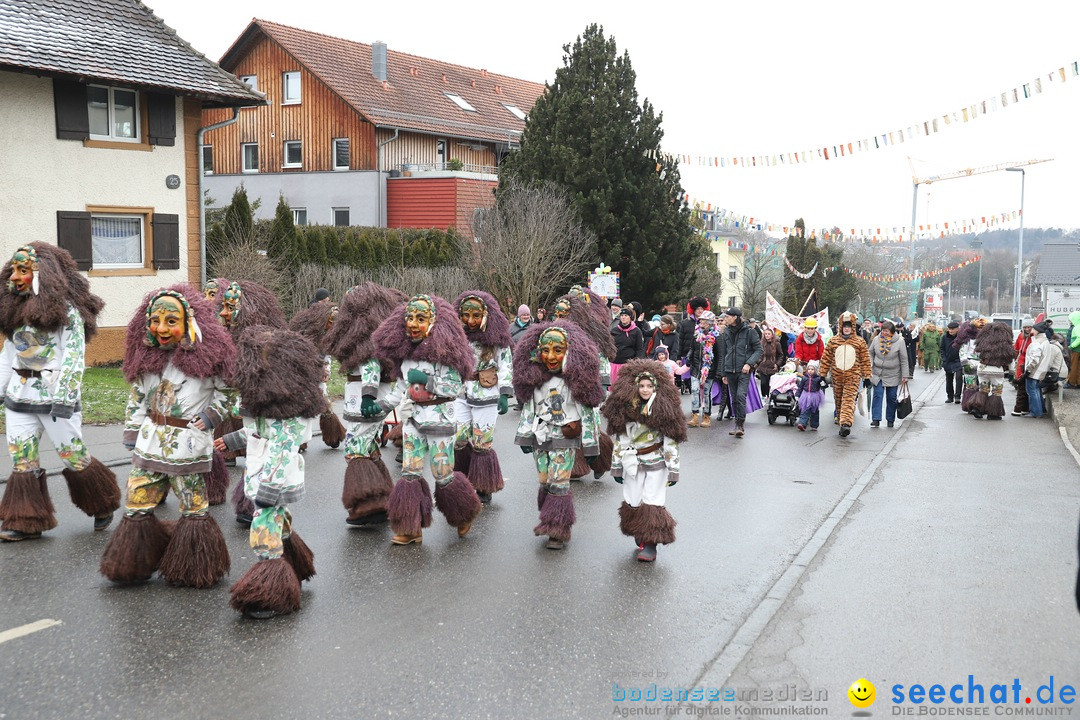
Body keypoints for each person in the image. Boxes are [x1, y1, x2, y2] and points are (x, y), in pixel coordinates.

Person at [100, 286, 235, 586]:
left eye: (171, 321)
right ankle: (134, 561)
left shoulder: (209, 358)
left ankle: (195, 565)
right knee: (136, 501)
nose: (161, 328)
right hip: (149, 444)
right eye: (156, 320)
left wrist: (210, 416)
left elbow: (228, 394)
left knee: (193, 507)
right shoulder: (146, 360)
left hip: (187, 445)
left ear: (188, 322)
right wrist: (133, 429)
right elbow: (136, 398)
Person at [0, 243, 120, 541]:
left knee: (73, 456)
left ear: (42, 274)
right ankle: (26, 520)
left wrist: (65, 398)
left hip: (55, 402)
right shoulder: (14, 311)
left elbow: (74, 356)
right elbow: (8, 355)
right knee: (22, 460)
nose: (15, 277)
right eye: (13, 270)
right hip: (19, 400)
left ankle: (102, 502)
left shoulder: (67, 313)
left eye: (23, 270)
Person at [225, 326, 322, 619]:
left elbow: (282, 447)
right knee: (277, 520)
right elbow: (256, 432)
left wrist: (269, 488)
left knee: (263, 525)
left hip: (275, 477)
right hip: (260, 472)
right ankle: (292, 562)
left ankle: (271, 587)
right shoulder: (264, 405)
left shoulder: (290, 413)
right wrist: (231, 440)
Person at [371, 294, 482, 545]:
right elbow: (399, 389)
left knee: (442, 474)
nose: (412, 323)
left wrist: (427, 380)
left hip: (441, 420)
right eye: (409, 318)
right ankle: (411, 527)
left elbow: (454, 387)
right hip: (413, 421)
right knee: (409, 472)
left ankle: (464, 513)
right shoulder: (406, 356)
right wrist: (380, 406)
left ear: (433, 322)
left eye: (420, 318)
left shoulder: (446, 354)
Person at [513, 322, 604, 550]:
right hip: (540, 438)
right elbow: (528, 408)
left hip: (565, 437)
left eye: (557, 350)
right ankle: (548, 517)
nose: (551, 356)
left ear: (569, 351)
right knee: (544, 481)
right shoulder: (536, 379)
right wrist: (524, 435)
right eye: (545, 350)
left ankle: (558, 529)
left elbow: (589, 413)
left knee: (559, 482)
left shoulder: (576, 381)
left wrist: (591, 446)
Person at [321, 282, 405, 527]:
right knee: (367, 448)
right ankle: (380, 498)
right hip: (361, 396)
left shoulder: (368, 335)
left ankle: (367, 504)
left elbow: (371, 364)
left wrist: (368, 395)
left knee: (356, 449)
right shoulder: (361, 334)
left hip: (366, 399)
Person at [215, 280, 289, 521]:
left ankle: (264, 509)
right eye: (223, 306)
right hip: (247, 415)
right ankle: (250, 504)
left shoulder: (267, 346)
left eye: (230, 307)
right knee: (255, 450)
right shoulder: (230, 340)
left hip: (268, 418)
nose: (224, 312)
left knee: (262, 450)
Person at [603, 359, 684, 563]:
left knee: (653, 500)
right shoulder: (626, 409)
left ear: (656, 387)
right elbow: (621, 440)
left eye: (649, 386)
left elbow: (671, 441)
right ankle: (639, 528)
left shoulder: (664, 410)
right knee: (633, 499)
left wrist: (673, 469)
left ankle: (651, 543)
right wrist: (616, 467)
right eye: (641, 386)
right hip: (632, 462)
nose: (645, 390)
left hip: (656, 463)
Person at [452, 291, 514, 505]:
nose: (470, 320)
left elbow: (506, 365)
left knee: (482, 442)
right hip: (461, 394)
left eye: (476, 315)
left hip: (486, 394)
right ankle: (460, 478)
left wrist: (505, 393)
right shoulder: (456, 337)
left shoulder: (497, 340)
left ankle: (483, 485)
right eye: (466, 315)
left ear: (486, 315)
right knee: (457, 438)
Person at [288, 299, 346, 449]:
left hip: (318, 375)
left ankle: (332, 434)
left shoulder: (328, 335)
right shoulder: (305, 334)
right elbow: (301, 357)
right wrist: (318, 370)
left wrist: (326, 368)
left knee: (324, 401)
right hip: (303, 377)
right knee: (304, 406)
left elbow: (327, 355)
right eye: (331, 322)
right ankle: (300, 440)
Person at [818, 311, 871, 437]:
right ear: (841, 327)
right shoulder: (833, 341)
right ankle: (842, 422)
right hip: (837, 376)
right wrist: (822, 374)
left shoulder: (859, 342)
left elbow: (865, 360)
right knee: (839, 401)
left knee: (848, 400)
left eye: (849, 326)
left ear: (852, 327)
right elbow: (826, 358)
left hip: (853, 377)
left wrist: (867, 376)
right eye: (844, 326)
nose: (846, 329)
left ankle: (846, 423)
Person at [716, 307, 763, 438]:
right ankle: (737, 423)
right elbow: (724, 353)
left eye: (728, 316)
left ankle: (740, 425)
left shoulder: (749, 332)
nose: (725, 319)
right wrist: (723, 373)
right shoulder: (726, 332)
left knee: (740, 396)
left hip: (743, 370)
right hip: (730, 370)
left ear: (735, 317)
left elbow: (758, 350)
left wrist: (749, 363)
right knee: (734, 398)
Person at [970, 321, 1017, 420]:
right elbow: (1010, 360)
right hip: (996, 370)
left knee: (983, 389)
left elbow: (977, 355)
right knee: (996, 392)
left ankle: (978, 408)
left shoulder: (982, 342)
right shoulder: (1005, 345)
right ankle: (993, 413)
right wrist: (1012, 372)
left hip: (982, 368)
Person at [867, 320, 910, 428]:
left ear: (891, 331)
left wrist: (905, 376)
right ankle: (876, 419)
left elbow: (904, 359)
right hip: (877, 373)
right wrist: (870, 365)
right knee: (877, 395)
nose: (884, 333)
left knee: (891, 397)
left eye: (886, 331)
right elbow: (870, 353)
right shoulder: (877, 339)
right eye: (883, 331)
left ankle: (890, 419)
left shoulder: (900, 341)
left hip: (893, 374)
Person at [687, 310, 721, 428]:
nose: (700, 321)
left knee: (706, 393)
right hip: (696, 367)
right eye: (700, 319)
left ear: (710, 322)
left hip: (709, 369)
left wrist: (718, 371)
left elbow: (719, 355)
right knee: (695, 390)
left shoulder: (716, 337)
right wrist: (688, 358)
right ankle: (695, 415)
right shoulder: (697, 334)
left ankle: (707, 416)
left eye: (703, 320)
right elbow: (692, 348)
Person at [677, 297, 710, 393]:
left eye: (701, 309)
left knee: (701, 383)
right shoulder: (684, 323)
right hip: (687, 355)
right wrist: (679, 357)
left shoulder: (708, 324)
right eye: (697, 309)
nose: (700, 311)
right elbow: (680, 340)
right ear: (693, 310)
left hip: (703, 356)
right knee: (689, 380)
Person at [954, 319, 984, 414]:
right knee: (971, 386)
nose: (980, 330)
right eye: (978, 328)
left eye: (982, 328)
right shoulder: (968, 339)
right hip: (970, 364)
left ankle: (979, 405)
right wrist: (965, 363)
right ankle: (969, 405)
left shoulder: (985, 340)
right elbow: (962, 351)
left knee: (981, 387)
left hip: (982, 365)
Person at [610, 306, 645, 385]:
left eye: (626, 315)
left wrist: (636, 363)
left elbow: (639, 349)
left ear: (630, 317)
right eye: (622, 316)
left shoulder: (636, 331)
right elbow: (609, 346)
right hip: (615, 363)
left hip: (629, 364)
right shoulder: (614, 331)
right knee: (615, 387)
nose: (623, 317)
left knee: (627, 387)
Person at [795, 360, 827, 431]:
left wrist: (823, 384)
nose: (810, 371)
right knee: (804, 409)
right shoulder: (804, 378)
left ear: (816, 370)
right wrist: (797, 395)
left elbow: (823, 386)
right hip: (805, 395)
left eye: (812, 369)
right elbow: (800, 387)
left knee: (814, 411)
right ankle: (802, 423)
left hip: (815, 396)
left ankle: (814, 425)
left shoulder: (818, 378)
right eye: (809, 369)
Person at [1011, 318, 1034, 416]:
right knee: (1022, 387)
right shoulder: (1021, 336)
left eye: (1029, 327)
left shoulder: (1033, 337)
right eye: (1025, 327)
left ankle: (1018, 409)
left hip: (1028, 364)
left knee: (1023, 388)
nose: (1027, 329)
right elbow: (1016, 349)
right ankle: (1025, 408)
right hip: (1021, 364)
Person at [757, 327, 783, 400]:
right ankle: (763, 395)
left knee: (769, 383)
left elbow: (781, 355)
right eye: (766, 334)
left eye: (769, 334)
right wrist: (759, 362)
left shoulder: (777, 344)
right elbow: (758, 353)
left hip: (772, 366)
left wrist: (777, 364)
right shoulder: (761, 343)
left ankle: (769, 396)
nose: (767, 335)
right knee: (763, 383)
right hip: (763, 366)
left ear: (772, 335)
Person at [941, 321, 963, 404]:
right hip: (948, 361)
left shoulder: (961, 338)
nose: (950, 331)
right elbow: (942, 348)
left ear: (957, 329)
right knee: (949, 379)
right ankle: (950, 396)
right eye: (949, 329)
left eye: (952, 329)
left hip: (958, 361)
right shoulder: (944, 337)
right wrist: (944, 359)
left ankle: (957, 396)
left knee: (958, 378)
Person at [1066, 311, 1080, 389]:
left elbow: (1079, 338)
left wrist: (1072, 346)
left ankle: (1071, 382)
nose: (1070, 321)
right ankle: (1078, 382)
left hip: (1076, 350)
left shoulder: (1077, 327)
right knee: (1078, 366)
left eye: (1071, 319)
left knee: (1073, 366)